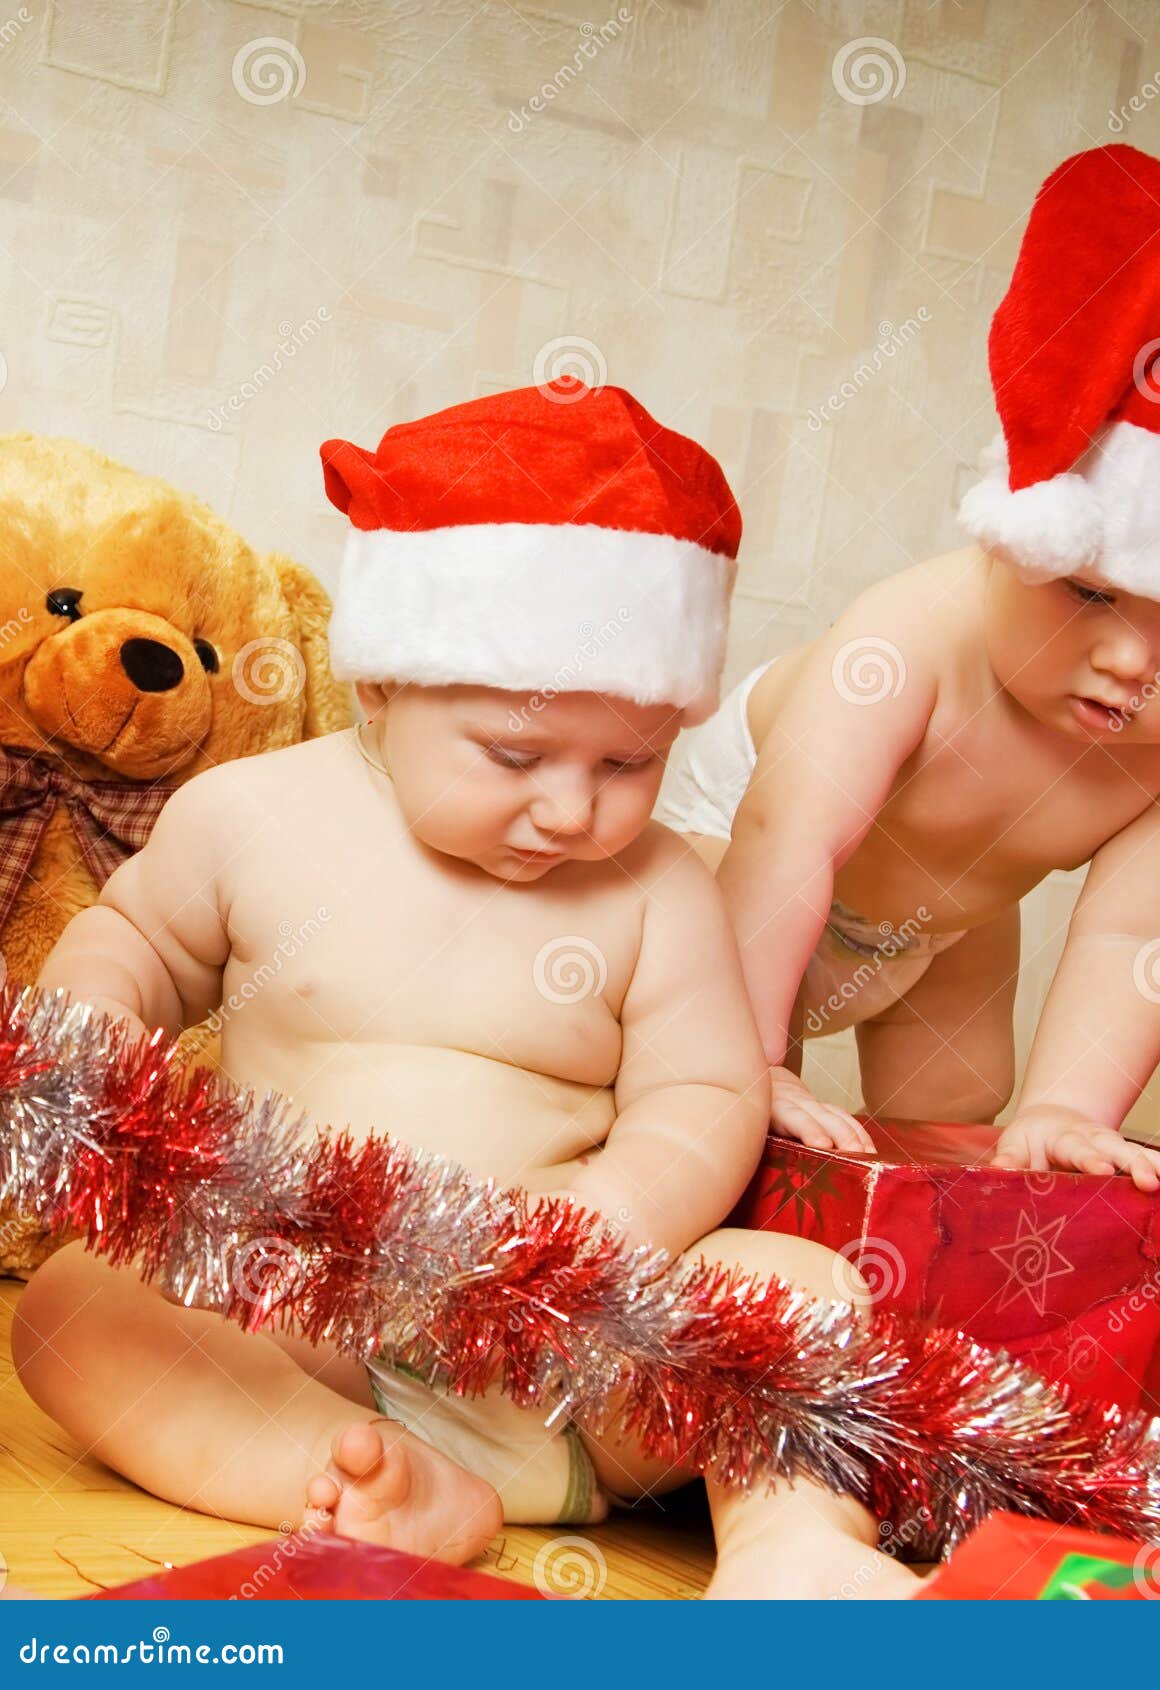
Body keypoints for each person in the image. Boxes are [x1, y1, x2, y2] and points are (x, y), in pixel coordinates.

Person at [14, 383, 914, 1600]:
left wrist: (603, 1221)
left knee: (794, 1287)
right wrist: (89, 1043)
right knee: (77, 1310)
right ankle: (367, 1487)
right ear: (383, 685)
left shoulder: (657, 891)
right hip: (309, 1329)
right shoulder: (255, 817)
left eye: (627, 762)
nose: (568, 807)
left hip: (577, 1352)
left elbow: (703, 1087)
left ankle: (792, 1545)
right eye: (514, 754)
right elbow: (135, 945)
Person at [656, 143, 1160, 1189]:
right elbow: (789, 842)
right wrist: (751, 1058)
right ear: (1015, 539)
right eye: (1088, 592)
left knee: (958, 1112)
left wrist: (1069, 1106)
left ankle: (898, 1241)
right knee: (693, 1053)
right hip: (742, 848)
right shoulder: (905, 641)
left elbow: (1136, 931)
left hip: (943, 914)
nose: (1129, 657)